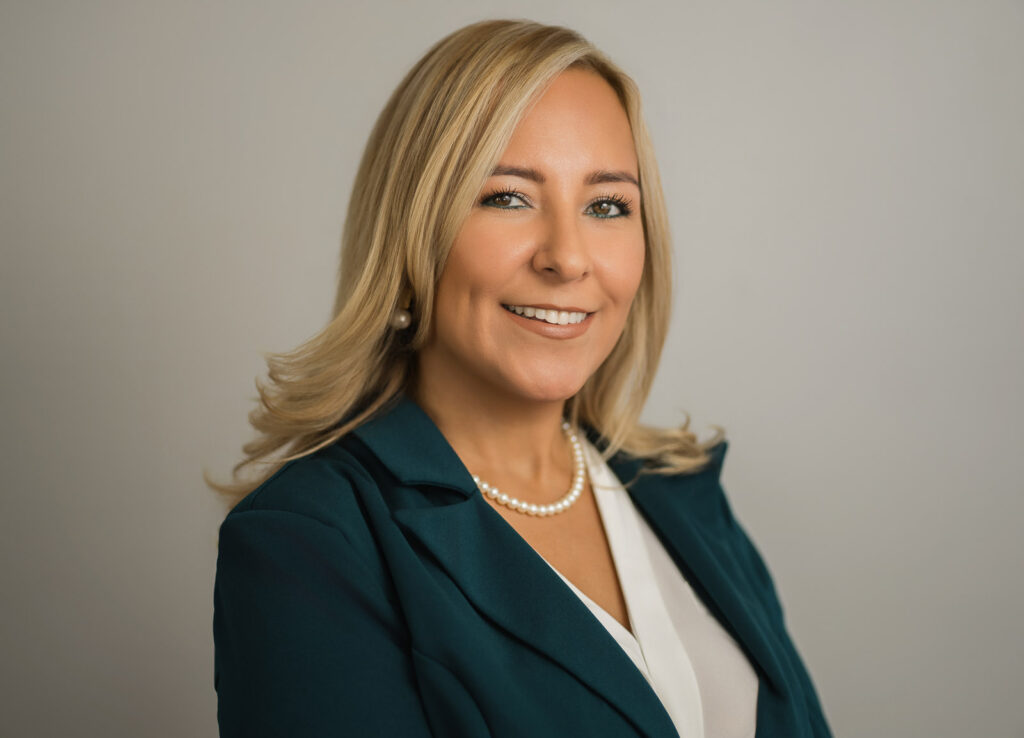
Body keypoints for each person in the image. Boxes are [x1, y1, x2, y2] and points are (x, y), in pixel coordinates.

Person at [208, 18, 832, 738]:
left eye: (607, 206)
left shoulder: (683, 496)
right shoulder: (312, 541)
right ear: (413, 232)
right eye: (507, 197)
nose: (567, 258)